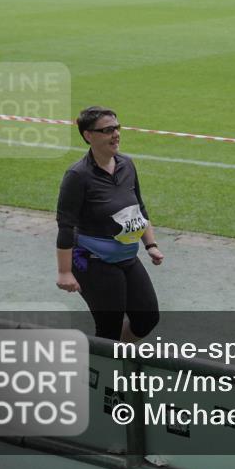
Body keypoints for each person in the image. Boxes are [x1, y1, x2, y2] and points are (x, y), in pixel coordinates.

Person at [55, 106, 163, 342]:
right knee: (109, 327)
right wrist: (64, 272)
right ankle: (105, 372)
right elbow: (65, 226)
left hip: (126, 257)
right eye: (107, 130)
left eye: (117, 128)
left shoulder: (127, 164)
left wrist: (150, 244)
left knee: (147, 318)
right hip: (93, 262)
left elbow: (139, 209)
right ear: (88, 136)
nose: (115, 134)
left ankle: (115, 359)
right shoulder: (77, 175)